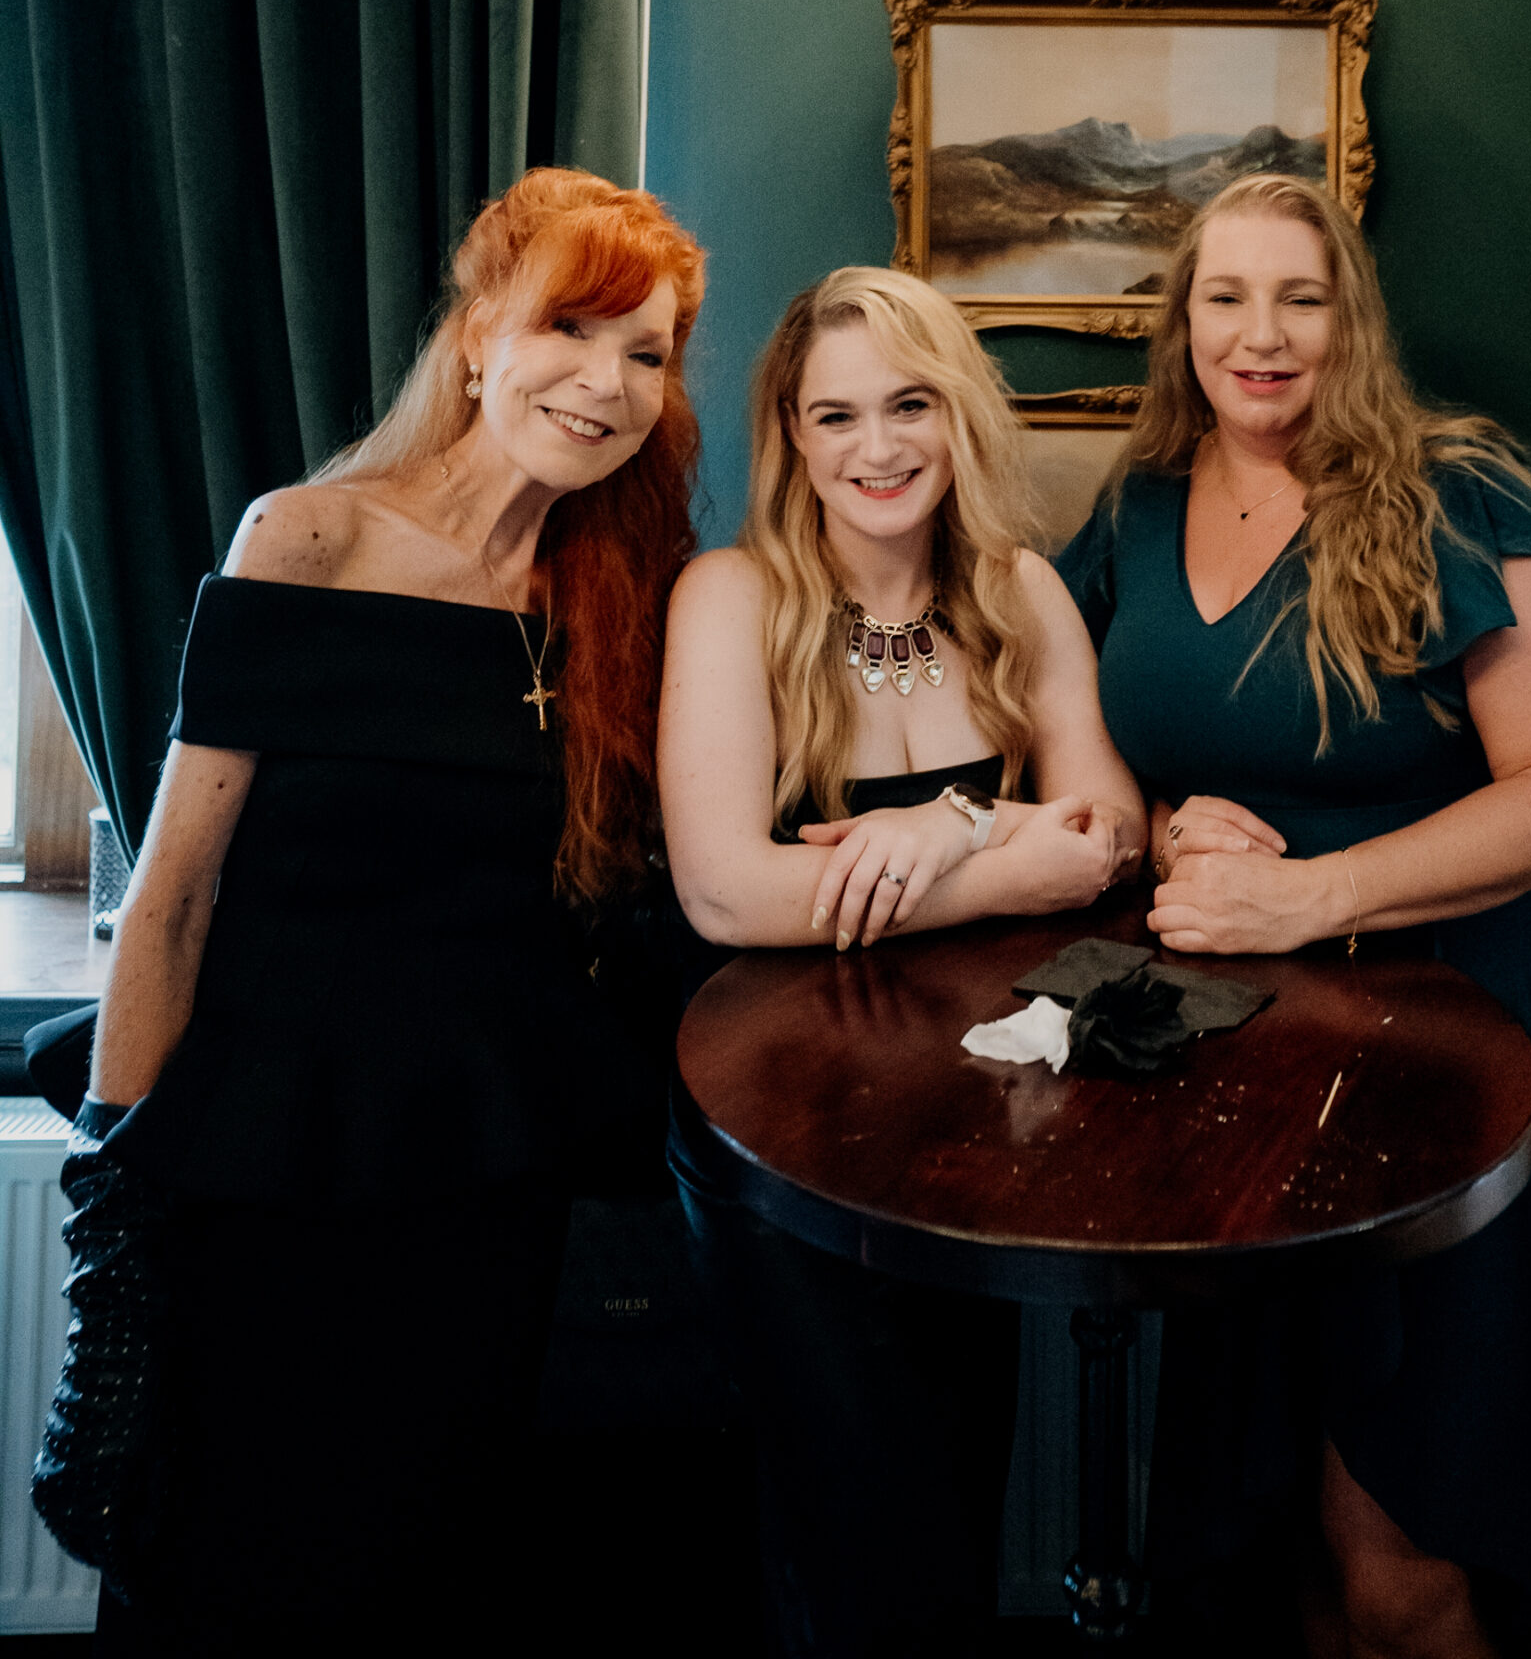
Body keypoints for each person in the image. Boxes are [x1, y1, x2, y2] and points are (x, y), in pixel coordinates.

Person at [35, 168, 706, 1654]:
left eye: (646, 354)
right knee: (225, 1566)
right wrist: (116, 1187)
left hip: (483, 1177)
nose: (607, 384)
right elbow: (171, 898)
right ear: (479, 340)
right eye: (573, 331)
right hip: (261, 1160)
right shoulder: (311, 537)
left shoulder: (622, 592)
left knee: (424, 1575)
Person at [1057, 172, 1531, 1659]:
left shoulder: (1467, 485)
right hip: (1241, 1077)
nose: (1263, 336)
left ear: (1352, 319)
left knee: (1410, 1548)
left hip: (1455, 1049)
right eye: (1227, 298)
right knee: (1284, 1550)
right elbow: (1073, 745)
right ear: (1181, 323)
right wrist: (1162, 824)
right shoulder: (1135, 506)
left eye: (1301, 298)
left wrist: (1311, 896)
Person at [660, 265, 1146, 1658]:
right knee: (856, 1536)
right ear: (792, 438)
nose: (877, 448)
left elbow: (1102, 832)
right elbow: (725, 893)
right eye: (837, 415)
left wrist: (953, 823)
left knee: (951, 1498)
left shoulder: (1019, 592)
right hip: (776, 1133)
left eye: (909, 404)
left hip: (975, 1126)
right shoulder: (730, 598)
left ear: (958, 416)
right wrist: (1002, 858)